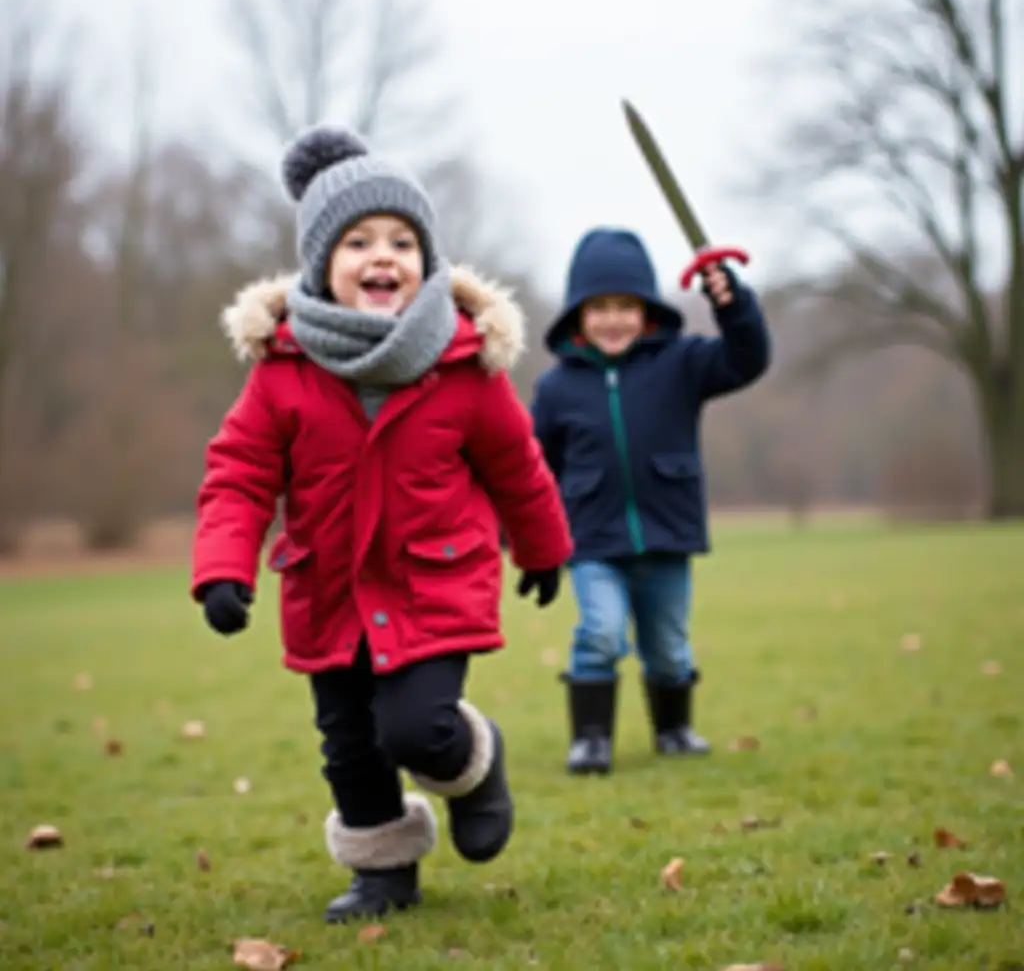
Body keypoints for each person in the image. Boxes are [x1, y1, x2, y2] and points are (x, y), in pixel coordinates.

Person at [190, 126, 573, 922]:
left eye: (402, 240)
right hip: (328, 590)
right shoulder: (284, 373)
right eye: (358, 240)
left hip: (434, 582)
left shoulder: (464, 365)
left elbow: (517, 466)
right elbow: (239, 474)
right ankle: (384, 873)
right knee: (350, 744)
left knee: (414, 727)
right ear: (322, 264)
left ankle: (477, 759)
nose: (382, 256)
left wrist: (542, 547)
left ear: (426, 261)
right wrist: (223, 566)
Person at [530, 227, 770, 775]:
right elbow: (534, 467)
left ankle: (674, 729)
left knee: (668, 648)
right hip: (592, 539)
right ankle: (590, 739)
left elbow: (748, 358)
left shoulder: (682, 364)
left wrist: (733, 305)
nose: (612, 319)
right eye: (599, 308)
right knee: (600, 632)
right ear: (577, 316)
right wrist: (527, 538)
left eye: (625, 306)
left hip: (666, 534)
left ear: (647, 310)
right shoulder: (557, 388)